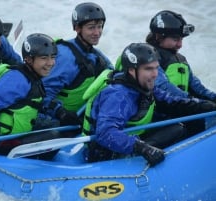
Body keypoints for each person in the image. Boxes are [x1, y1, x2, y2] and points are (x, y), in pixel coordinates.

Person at [84, 43, 216, 166]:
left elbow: (172, 102)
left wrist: (206, 106)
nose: (155, 74)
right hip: (107, 155)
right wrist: (143, 148)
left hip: (132, 138)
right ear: (131, 70)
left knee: (191, 122)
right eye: (148, 69)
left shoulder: (143, 87)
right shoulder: (118, 95)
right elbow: (106, 133)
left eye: (156, 68)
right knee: (177, 129)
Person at [0, 33, 60, 164]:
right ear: (29, 59)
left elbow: (32, 105)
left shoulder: (34, 76)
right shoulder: (17, 79)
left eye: (53, 57)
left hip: (17, 135)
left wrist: (60, 112)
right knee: (53, 136)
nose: (50, 63)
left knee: (54, 125)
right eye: (44, 58)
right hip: (1, 141)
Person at [41, 2, 114, 127]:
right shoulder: (65, 57)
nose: (97, 32)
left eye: (100, 26)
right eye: (91, 27)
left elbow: (114, 73)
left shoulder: (95, 54)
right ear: (77, 28)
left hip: (81, 116)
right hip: (57, 121)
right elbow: (42, 94)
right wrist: (60, 112)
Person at [146, 10, 216, 132]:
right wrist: (197, 104)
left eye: (181, 39)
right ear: (158, 36)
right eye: (175, 39)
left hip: (180, 111)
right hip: (158, 119)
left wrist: (212, 99)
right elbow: (164, 87)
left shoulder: (181, 60)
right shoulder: (147, 57)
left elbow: (198, 89)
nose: (180, 45)